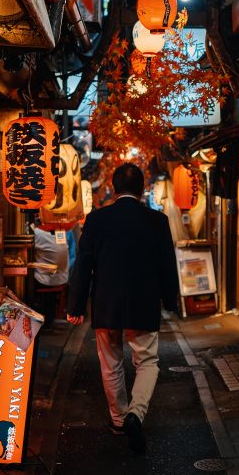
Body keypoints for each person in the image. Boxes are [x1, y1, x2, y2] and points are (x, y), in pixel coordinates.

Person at [67, 163, 180, 453]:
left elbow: (84, 266)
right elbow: (167, 266)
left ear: (114, 188)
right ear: (142, 189)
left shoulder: (96, 220)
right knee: (148, 362)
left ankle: (118, 420)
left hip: (107, 304)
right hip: (143, 303)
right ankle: (135, 414)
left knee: (111, 363)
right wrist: (171, 301)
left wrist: (76, 305)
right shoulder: (157, 221)